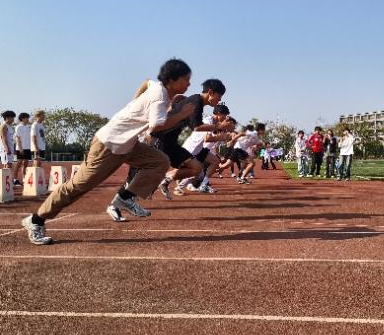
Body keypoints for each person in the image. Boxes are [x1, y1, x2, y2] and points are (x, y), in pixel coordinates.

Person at [22, 58, 193, 245]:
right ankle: (36, 220)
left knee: (159, 161)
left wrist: (133, 104)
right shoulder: (159, 97)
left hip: (127, 144)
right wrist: (181, 115)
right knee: (77, 186)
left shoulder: (157, 88)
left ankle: (125, 198)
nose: (189, 84)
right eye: (186, 79)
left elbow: (146, 82)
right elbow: (156, 127)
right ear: (172, 80)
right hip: (108, 145)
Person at [154, 78, 228, 198]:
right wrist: (220, 127)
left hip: (172, 142)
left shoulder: (197, 103)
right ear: (211, 92)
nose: (219, 100)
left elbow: (184, 115)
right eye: (219, 96)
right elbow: (197, 128)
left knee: (198, 168)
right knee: (146, 171)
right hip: (163, 140)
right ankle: (169, 183)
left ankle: (166, 180)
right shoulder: (197, 102)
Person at [14, 113, 32, 186]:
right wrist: (20, 148)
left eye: (28, 118)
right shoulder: (19, 127)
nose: (28, 119)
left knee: (26, 164)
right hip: (20, 148)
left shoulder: (29, 127)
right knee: (19, 163)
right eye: (26, 118)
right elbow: (18, 138)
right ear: (22, 118)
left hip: (28, 147)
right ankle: (15, 179)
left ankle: (24, 179)